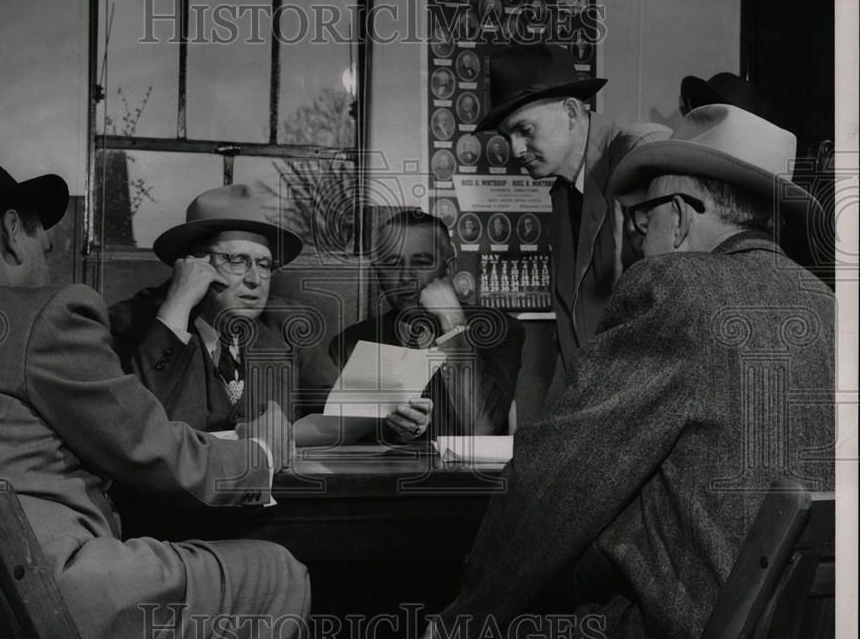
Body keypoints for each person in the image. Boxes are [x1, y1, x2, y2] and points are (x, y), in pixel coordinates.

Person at [407, 105, 834, 639]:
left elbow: (554, 484)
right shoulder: (831, 307)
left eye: (641, 220)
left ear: (680, 219)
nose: (638, 240)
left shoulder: (676, 287)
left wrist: (466, 613)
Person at [0, 135, 323, 639]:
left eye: (263, 264)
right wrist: (262, 453)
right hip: (53, 623)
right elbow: (149, 441)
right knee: (283, 572)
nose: (45, 254)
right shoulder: (59, 316)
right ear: (12, 230)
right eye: (235, 261)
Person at [476, 43, 671, 419]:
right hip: (602, 412)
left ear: (570, 112)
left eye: (524, 129)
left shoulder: (640, 155)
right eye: (506, 136)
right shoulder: (564, 193)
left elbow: (669, 313)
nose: (514, 149)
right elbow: (572, 347)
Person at [109, 184, 339, 433]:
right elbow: (133, 424)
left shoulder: (287, 326)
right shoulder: (131, 324)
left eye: (264, 264)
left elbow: (347, 411)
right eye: (237, 260)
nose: (254, 279)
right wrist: (177, 306)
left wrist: (277, 439)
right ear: (196, 265)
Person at [330, 210, 524, 437]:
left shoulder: (498, 329)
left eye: (421, 262)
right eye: (393, 264)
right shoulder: (352, 343)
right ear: (378, 273)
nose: (406, 277)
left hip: (470, 472)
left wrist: (452, 324)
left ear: (449, 268)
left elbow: (483, 427)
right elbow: (346, 435)